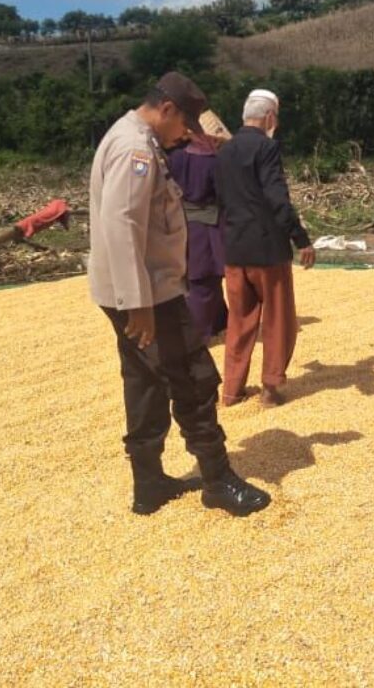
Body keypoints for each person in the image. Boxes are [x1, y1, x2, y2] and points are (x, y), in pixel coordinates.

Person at [87, 72, 270, 516]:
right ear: (167, 109)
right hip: (147, 291)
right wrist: (140, 304)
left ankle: (148, 483)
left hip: (131, 288)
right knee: (194, 376)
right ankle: (218, 479)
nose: (187, 134)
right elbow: (123, 225)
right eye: (185, 124)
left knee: (145, 381)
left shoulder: (131, 136)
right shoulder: (135, 149)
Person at [215, 89, 316, 407]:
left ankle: (231, 391)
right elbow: (277, 198)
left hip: (234, 248)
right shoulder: (267, 147)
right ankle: (270, 389)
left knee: (240, 321)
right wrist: (301, 239)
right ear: (270, 117)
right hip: (267, 250)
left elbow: (219, 199)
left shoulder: (224, 151)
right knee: (277, 319)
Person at [166, 110, 232, 348]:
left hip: (180, 222)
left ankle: (220, 323)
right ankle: (200, 333)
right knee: (205, 280)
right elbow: (223, 194)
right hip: (207, 226)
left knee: (197, 280)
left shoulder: (175, 156)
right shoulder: (213, 162)